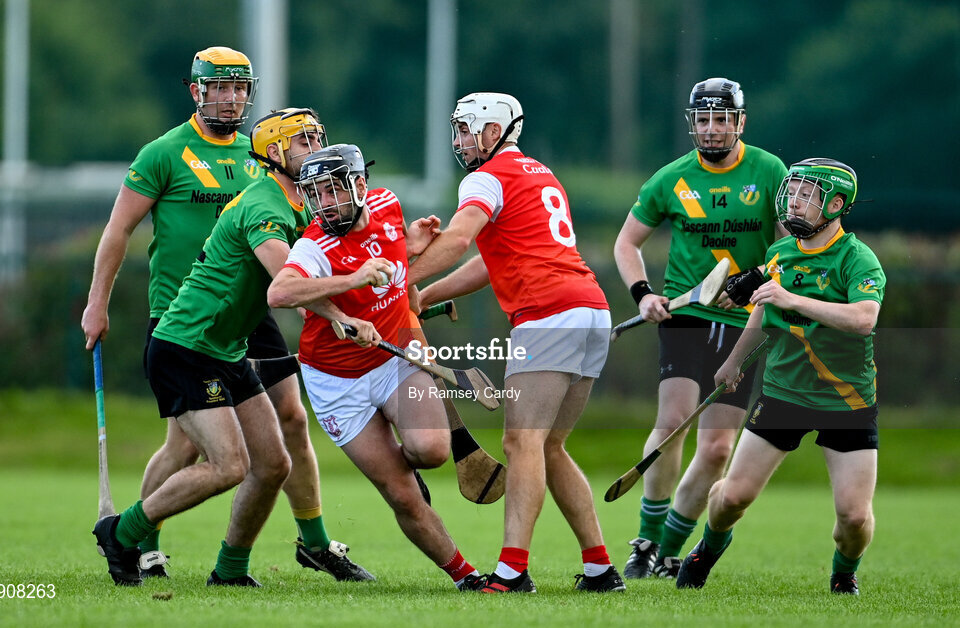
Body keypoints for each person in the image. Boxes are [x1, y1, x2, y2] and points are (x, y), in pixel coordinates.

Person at [81, 47, 370, 583]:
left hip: (244, 318)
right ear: (197, 91)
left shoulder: (267, 164)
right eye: (220, 86)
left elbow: (319, 253)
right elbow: (118, 231)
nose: (232, 96)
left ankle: (290, 551)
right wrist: (97, 303)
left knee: (285, 434)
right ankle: (135, 540)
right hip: (186, 318)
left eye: (240, 87)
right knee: (196, 450)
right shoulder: (164, 153)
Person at [407, 93, 623, 594]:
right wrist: (429, 294)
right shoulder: (539, 172)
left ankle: (511, 572)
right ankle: (600, 569)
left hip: (548, 315)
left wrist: (399, 282)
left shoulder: (484, 178)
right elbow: (490, 260)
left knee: (520, 441)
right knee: (548, 445)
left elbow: (458, 240)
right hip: (591, 310)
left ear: (492, 131)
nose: (460, 140)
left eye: (467, 130)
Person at [268, 143, 483, 592]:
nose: (324, 204)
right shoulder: (315, 244)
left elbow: (390, 256)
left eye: (333, 192)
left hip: (391, 358)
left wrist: (412, 245)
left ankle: (403, 465)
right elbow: (280, 293)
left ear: (360, 185)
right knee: (401, 494)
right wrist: (350, 290)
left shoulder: (387, 203)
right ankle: (467, 578)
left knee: (431, 452)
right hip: (335, 381)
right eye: (316, 194)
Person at [676, 158, 883, 595]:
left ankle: (844, 572)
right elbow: (764, 311)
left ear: (836, 204)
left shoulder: (858, 259)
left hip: (846, 401)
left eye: (807, 194)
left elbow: (864, 319)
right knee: (732, 498)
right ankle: (705, 551)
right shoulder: (779, 254)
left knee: (854, 517)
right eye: (792, 191)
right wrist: (733, 362)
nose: (794, 200)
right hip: (783, 393)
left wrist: (795, 299)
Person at [612, 78, 788, 579]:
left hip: (745, 321)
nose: (711, 130)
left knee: (715, 451)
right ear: (692, 123)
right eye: (703, 120)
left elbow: (787, 247)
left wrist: (761, 277)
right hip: (686, 315)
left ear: (740, 122)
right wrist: (643, 294)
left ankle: (669, 547)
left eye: (722, 120)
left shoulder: (769, 171)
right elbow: (627, 244)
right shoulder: (670, 179)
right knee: (673, 424)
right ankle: (645, 540)